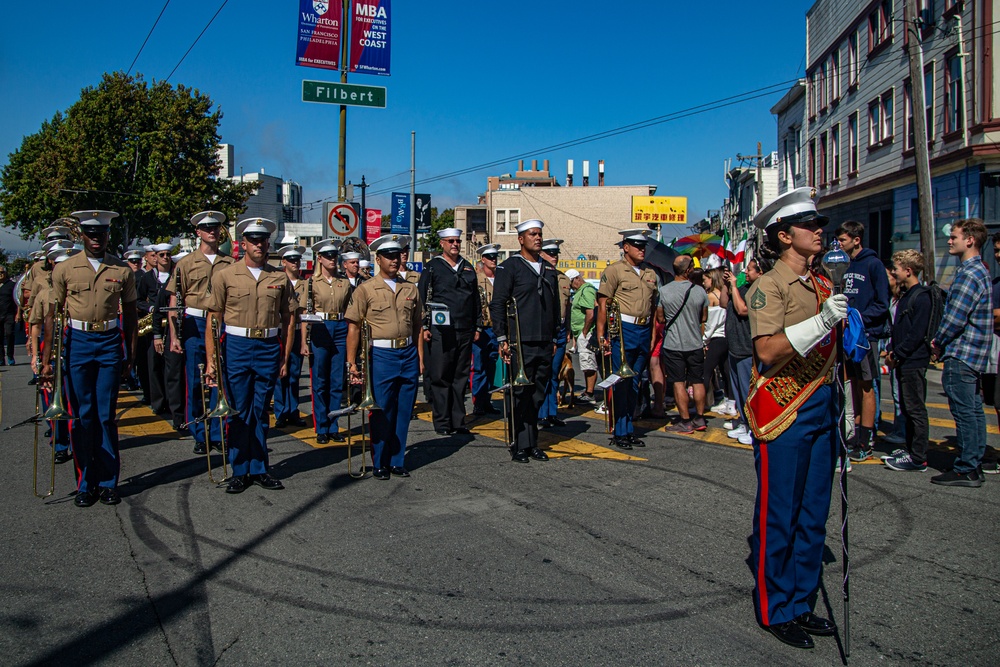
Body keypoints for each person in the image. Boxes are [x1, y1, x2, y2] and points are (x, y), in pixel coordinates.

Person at [744, 187, 847, 649]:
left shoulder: (823, 283)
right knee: (780, 513)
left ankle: (802, 601)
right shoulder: (768, 286)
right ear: (785, 236)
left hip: (821, 406)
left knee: (813, 514)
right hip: (785, 411)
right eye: (810, 225)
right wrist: (820, 323)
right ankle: (776, 607)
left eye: (820, 224)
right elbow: (766, 350)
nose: (820, 231)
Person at [43, 210, 139, 508]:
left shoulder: (122, 270)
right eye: (91, 234)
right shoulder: (66, 269)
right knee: (83, 416)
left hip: (109, 342)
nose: (96, 239)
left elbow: (132, 315)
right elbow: (52, 315)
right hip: (78, 342)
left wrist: (130, 355)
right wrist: (46, 359)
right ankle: (85, 482)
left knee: (105, 415)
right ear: (81, 236)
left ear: (108, 235)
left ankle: (109, 482)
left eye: (101, 234)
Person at [207, 217, 296, 494]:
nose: (259, 244)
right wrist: (212, 359)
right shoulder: (225, 275)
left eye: (263, 239)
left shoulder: (279, 277)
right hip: (237, 346)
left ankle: (259, 468)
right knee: (238, 410)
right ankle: (239, 470)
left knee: (260, 410)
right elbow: (214, 318)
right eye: (254, 240)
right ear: (242, 244)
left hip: (268, 347)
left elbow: (288, 318)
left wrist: (285, 356)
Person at [345, 234, 424, 479]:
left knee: (403, 410)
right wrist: (351, 363)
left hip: (407, 352)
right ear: (378, 259)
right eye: (388, 256)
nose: (394, 259)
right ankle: (379, 461)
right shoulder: (366, 289)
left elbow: (418, 325)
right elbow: (354, 328)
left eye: (396, 255)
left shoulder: (410, 287)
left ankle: (397, 460)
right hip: (381, 354)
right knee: (381, 410)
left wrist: (420, 358)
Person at [489, 219, 559, 463]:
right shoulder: (510, 267)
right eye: (532, 234)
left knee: (538, 393)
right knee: (520, 393)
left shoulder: (549, 269)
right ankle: (519, 444)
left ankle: (532, 442)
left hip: (543, 340)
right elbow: (497, 303)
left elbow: (555, 305)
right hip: (521, 340)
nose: (537, 238)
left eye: (539, 234)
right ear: (521, 239)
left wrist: (555, 336)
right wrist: (502, 338)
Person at [930, 218, 992, 487]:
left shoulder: (968, 273)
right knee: (974, 410)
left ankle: (966, 467)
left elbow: (955, 318)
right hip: (975, 353)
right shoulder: (981, 271)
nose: (949, 240)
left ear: (970, 240)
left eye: (954, 236)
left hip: (962, 352)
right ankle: (973, 463)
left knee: (965, 411)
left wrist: (938, 341)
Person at [167, 211, 236, 455]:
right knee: (195, 382)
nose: (212, 232)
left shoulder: (229, 263)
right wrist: (174, 335)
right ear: (198, 232)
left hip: (221, 324)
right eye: (206, 228)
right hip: (194, 324)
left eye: (215, 228)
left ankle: (219, 432)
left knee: (219, 377)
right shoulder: (185, 264)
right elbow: (175, 299)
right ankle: (198, 432)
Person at [596, 229, 658, 450]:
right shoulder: (614, 270)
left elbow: (652, 306)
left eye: (643, 246)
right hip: (623, 329)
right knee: (621, 382)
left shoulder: (651, 273)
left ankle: (628, 427)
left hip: (643, 329)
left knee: (636, 382)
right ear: (626, 247)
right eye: (637, 245)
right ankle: (619, 430)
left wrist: (651, 335)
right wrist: (601, 334)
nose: (642, 250)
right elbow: (603, 303)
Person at [835, 220, 890, 461]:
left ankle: (867, 438)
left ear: (856, 240)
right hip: (847, 334)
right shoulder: (843, 265)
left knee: (867, 385)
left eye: (843, 240)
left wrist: (859, 318)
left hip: (865, 335)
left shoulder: (873, 264)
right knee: (854, 384)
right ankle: (855, 433)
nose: (839, 244)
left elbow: (882, 303)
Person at [418, 228, 480, 435]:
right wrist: (425, 326)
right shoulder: (433, 267)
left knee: (460, 376)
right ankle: (443, 422)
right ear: (442, 243)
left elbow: (475, 300)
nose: (455, 244)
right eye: (450, 241)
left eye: (458, 241)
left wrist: (477, 325)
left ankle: (458, 420)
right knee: (441, 375)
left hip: (464, 329)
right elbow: (422, 298)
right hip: (440, 331)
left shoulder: (468, 268)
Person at [29, 243, 76, 464]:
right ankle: (60, 444)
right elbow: (36, 325)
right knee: (53, 400)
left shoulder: (79, 291)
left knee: (75, 401)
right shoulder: (45, 294)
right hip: (52, 351)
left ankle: (78, 442)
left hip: (76, 348)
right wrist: (36, 357)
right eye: (58, 264)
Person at [884, 250, 931, 472]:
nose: (894, 272)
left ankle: (918, 457)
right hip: (903, 360)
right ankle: (912, 449)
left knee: (915, 409)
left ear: (908, 271)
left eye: (897, 268)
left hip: (913, 361)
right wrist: (893, 350)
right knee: (906, 407)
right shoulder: (905, 296)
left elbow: (916, 333)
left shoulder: (921, 296)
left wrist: (898, 353)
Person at [306, 239, 352, 444]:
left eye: (335, 256)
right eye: (328, 256)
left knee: (336, 381)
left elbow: (350, 310)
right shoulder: (312, 282)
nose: (332, 259)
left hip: (340, 327)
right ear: (320, 259)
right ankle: (321, 427)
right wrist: (302, 342)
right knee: (320, 381)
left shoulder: (345, 282)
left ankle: (334, 425)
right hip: (320, 328)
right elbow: (304, 313)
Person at [657, 255, 709, 435]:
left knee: (678, 382)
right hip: (694, 342)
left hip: (673, 344)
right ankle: (700, 417)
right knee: (697, 381)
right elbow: (704, 317)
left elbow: (660, 318)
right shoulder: (700, 291)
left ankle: (685, 421)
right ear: (688, 271)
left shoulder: (664, 291)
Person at [140, 244, 184, 427]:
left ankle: (181, 411)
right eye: (162, 254)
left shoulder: (177, 277)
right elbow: (155, 308)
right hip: (161, 329)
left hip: (182, 330)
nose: (166, 257)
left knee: (178, 373)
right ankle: (162, 404)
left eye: (168, 255)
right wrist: (157, 334)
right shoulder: (148, 278)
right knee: (158, 367)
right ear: (155, 257)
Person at [724, 259, 761, 445]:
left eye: (750, 269)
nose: (746, 272)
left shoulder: (759, 289)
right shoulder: (745, 287)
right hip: (734, 346)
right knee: (738, 390)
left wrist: (733, 286)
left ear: (760, 272)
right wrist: (727, 286)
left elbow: (742, 310)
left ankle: (753, 427)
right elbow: (725, 303)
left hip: (747, 347)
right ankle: (744, 423)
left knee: (748, 391)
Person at [273, 243, 309, 429]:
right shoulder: (277, 280)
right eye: (291, 260)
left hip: (296, 331)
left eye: (297, 260)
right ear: (283, 262)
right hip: (279, 330)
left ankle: (293, 410)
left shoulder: (305, 283)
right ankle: (280, 412)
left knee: (294, 374)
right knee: (280, 373)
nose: (296, 263)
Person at [538, 238, 572, 427]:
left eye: (556, 253)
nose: (554, 257)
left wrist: (567, 329)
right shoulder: (539, 276)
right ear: (541, 254)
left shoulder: (563, 278)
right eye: (550, 253)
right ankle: (541, 412)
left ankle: (551, 412)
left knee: (554, 373)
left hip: (559, 330)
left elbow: (567, 306)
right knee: (543, 372)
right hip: (544, 330)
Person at [472, 243, 501, 415]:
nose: (493, 260)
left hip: (496, 328)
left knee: (491, 366)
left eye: (495, 257)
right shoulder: (476, 278)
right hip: (482, 328)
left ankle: (487, 400)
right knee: (479, 367)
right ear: (483, 259)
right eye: (489, 257)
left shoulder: (501, 278)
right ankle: (478, 402)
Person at [702, 266, 734, 416]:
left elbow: (711, 323)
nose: (703, 283)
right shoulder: (725, 295)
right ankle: (730, 402)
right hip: (726, 337)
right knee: (726, 371)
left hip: (716, 337)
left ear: (713, 279)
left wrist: (704, 340)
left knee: (706, 371)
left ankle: (700, 403)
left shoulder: (711, 296)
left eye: (705, 280)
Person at [567, 269, 599, 404]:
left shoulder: (586, 290)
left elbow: (590, 313)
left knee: (588, 363)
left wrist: (584, 332)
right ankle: (588, 390)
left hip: (586, 332)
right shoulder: (580, 291)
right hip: (580, 332)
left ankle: (590, 392)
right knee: (585, 363)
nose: (570, 287)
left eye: (570, 284)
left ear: (576, 279)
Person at [0, 264, 17, 366]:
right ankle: (1, 358)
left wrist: (18, 313)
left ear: (5, 273)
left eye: (2, 272)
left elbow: (16, 299)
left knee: (9, 334)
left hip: (9, 314)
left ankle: (10, 355)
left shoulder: (11, 285)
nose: (0, 275)